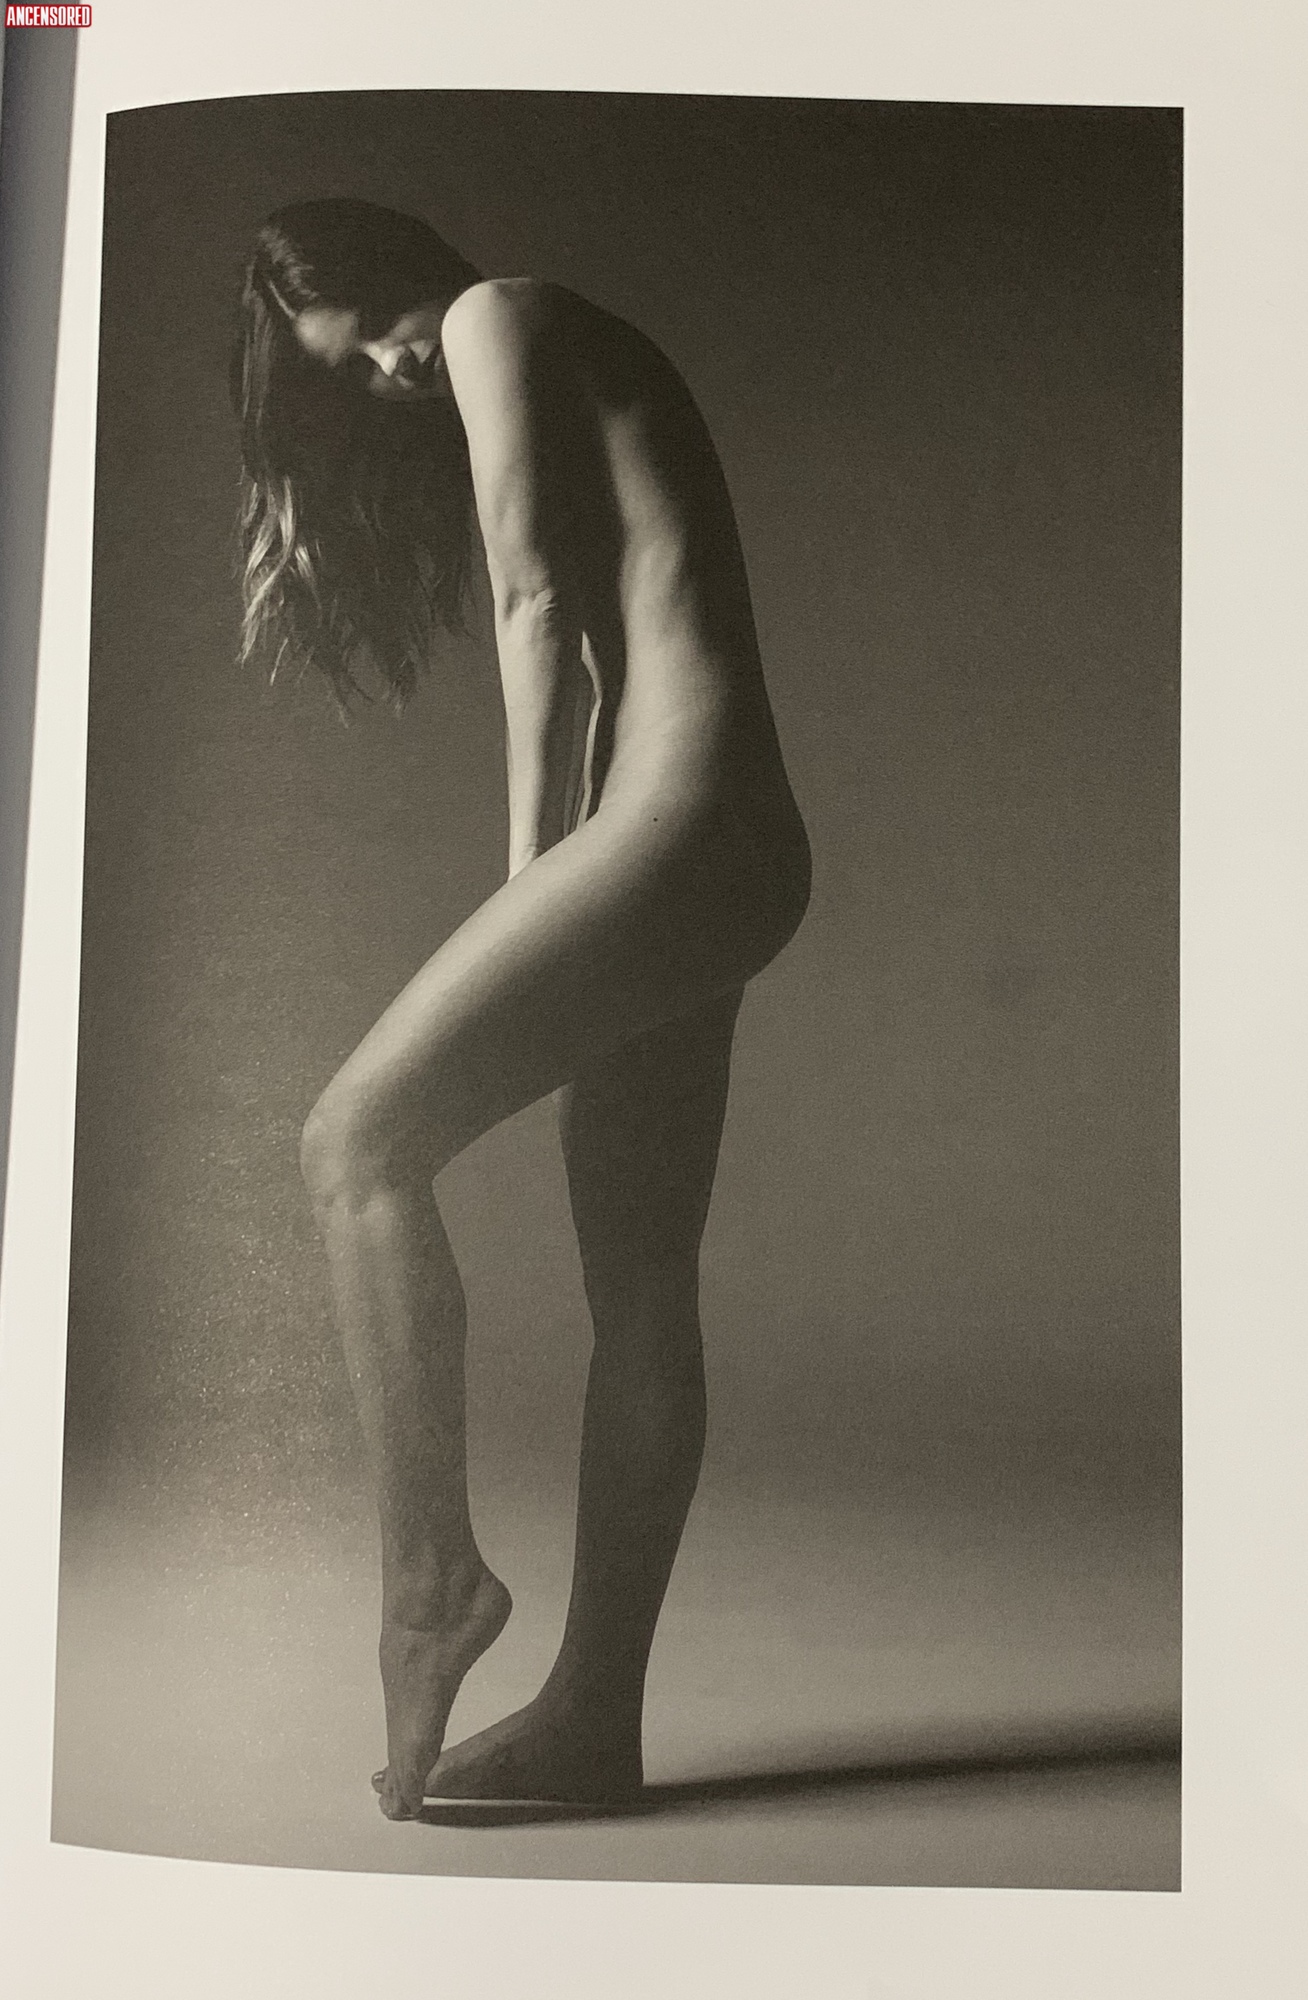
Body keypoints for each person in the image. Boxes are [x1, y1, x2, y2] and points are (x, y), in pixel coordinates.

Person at [232, 199, 810, 1820]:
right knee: (642, 1288)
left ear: (411, 275)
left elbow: (536, 604)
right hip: (732, 841)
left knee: (354, 1144)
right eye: (366, 376)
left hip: (670, 831)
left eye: (386, 337)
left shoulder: (498, 312)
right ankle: (594, 1721)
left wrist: (527, 883)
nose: (403, 374)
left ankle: (431, 1585)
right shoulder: (554, 343)